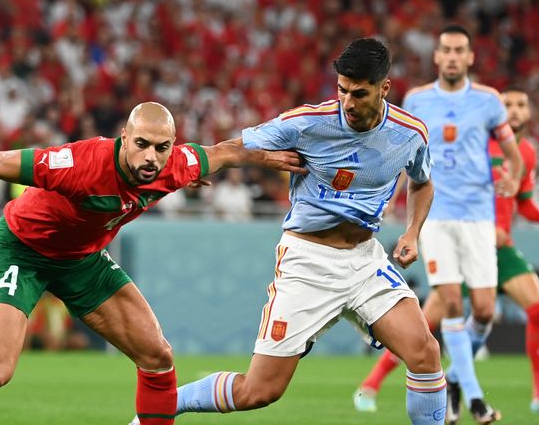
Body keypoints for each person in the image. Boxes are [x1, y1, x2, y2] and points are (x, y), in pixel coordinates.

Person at [0, 101, 303, 425]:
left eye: (162, 148)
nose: (152, 157)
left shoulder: (176, 165)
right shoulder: (80, 163)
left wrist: (267, 159)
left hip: (82, 261)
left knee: (157, 356)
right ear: (124, 139)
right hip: (23, 250)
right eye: (143, 145)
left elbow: (225, 152)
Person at [134, 38, 445, 425]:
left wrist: (413, 231)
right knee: (259, 391)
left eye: (359, 93)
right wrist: (187, 167)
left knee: (425, 352)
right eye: (342, 90)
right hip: (307, 262)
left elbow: (422, 181)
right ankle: (164, 407)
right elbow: (232, 147)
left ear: (384, 88)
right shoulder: (307, 123)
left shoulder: (410, 132)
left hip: (366, 262)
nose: (348, 102)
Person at [352, 25, 523, 425]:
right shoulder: (417, 100)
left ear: (469, 57)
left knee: (483, 310)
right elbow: (402, 155)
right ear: (436, 56)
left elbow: (512, 154)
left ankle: (457, 383)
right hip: (437, 216)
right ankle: (476, 399)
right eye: (445, 49)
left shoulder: (488, 102)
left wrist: (512, 177)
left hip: (479, 216)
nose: (450, 56)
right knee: (448, 301)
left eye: (458, 50)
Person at [353, 87, 539, 416]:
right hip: (465, 240)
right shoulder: (477, 143)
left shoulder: (527, 154)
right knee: (423, 326)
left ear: (531, 112)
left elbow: (523, 203)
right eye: (508, 105)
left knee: (537, 308)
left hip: (500, 250)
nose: (515, 111)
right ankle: (371, 384)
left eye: (522, 104)